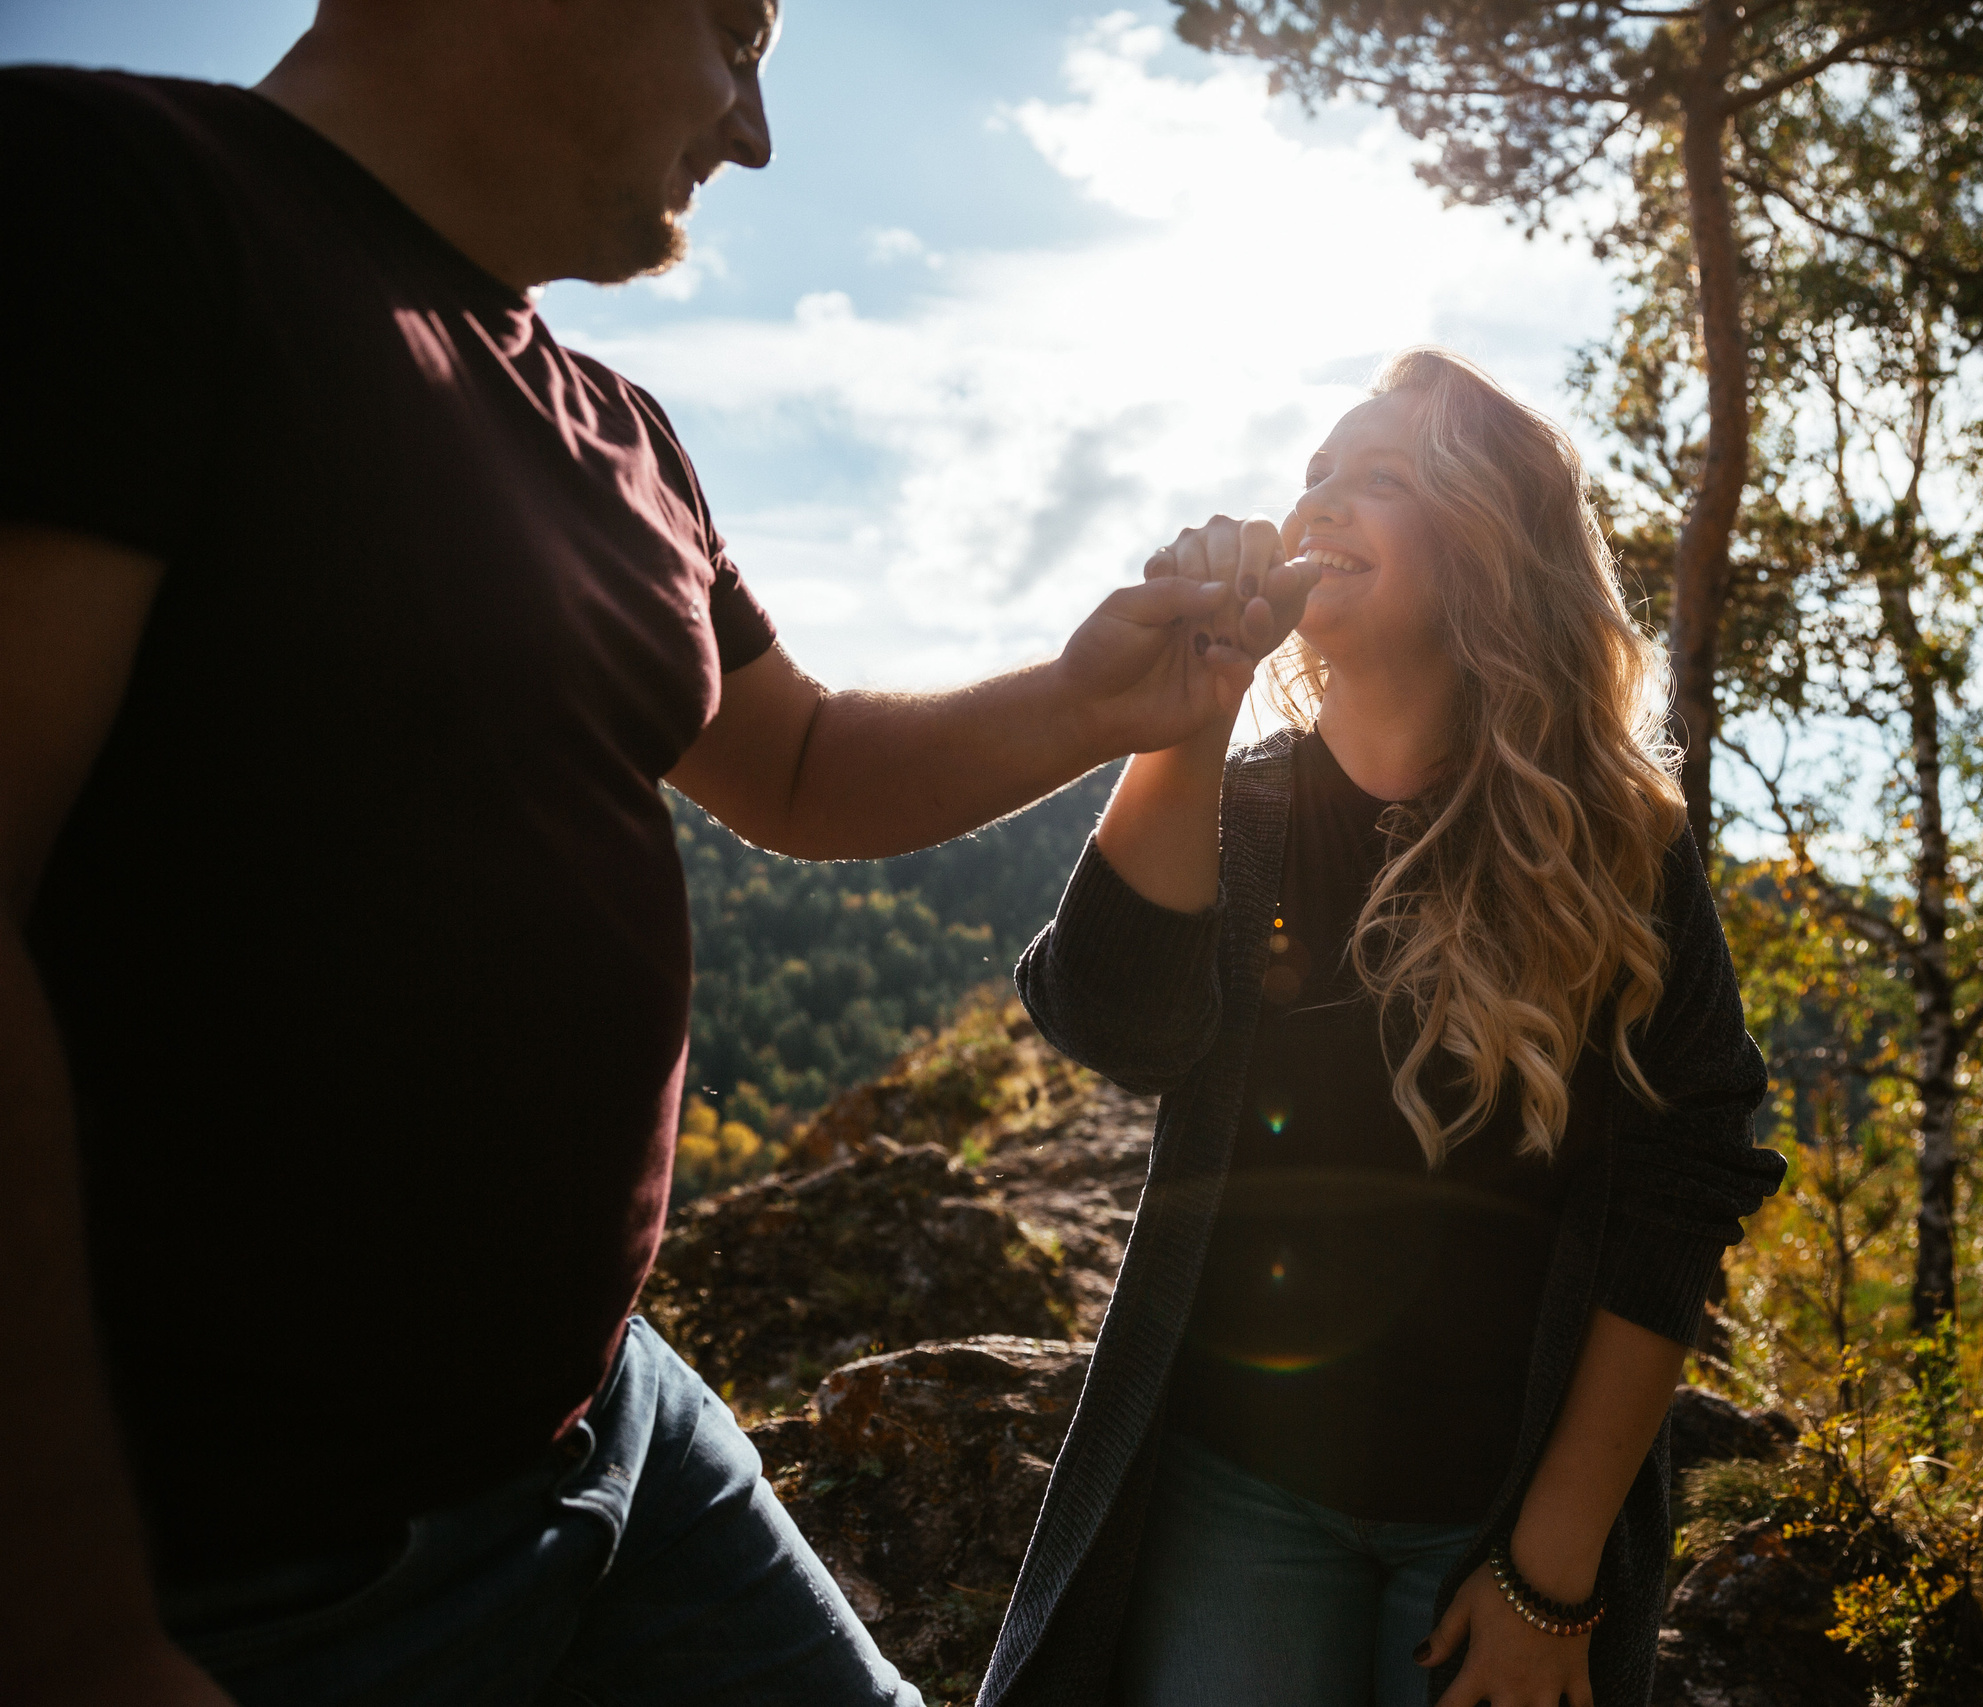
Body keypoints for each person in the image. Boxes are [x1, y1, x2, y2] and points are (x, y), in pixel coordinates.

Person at [0, 4, 1310, 1705]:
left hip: (620, 1431)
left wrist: (1090, 698)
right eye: (737, 33)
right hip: (260, 1570)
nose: (752, 133)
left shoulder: (621, 430)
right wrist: (70, 1618)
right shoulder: (116, 201)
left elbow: (809, 765)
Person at [984, 348, 1787, 1707]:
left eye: (1381, 479)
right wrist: (1190, 703)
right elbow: (1116, 1025)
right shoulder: (1241, 808)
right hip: (1235, 1495)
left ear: (1485, 548)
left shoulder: (1615, 847)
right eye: (1313, 479)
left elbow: (1687, 1181)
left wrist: (1553, 1570)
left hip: (1498, 1519)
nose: (1318, 507)